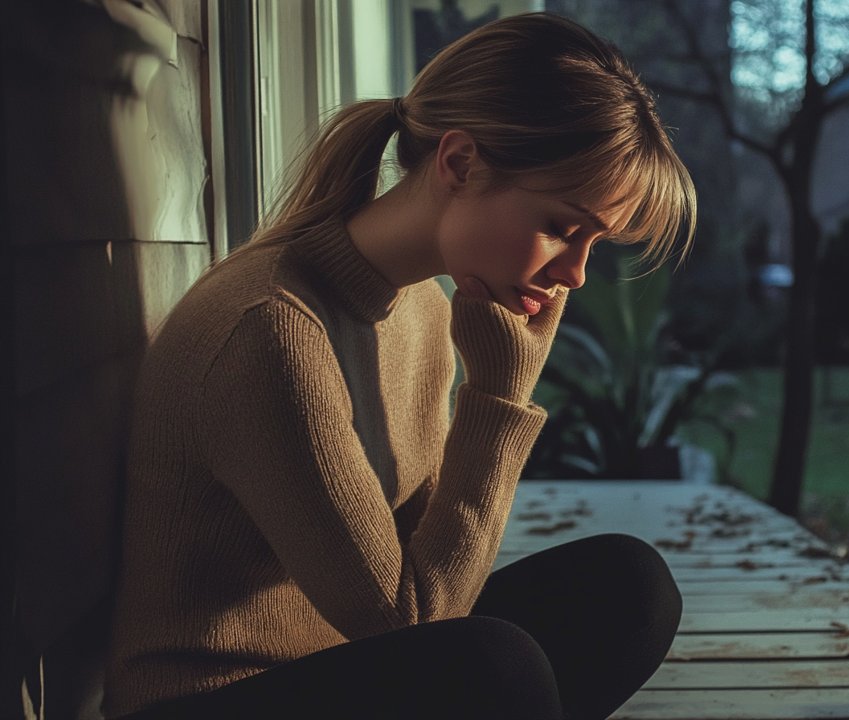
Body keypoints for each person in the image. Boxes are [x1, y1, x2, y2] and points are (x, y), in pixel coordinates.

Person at [102, 12, 697, 720]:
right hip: (213, 697)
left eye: (594, 244)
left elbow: (440, 577)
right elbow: (415, 623)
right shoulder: (270, 330)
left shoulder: (419, 307)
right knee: (493, 669)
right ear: (458, 164)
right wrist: (499, 397)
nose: (575, 274)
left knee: (628, 588)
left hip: (346, 663)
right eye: (564, 228)